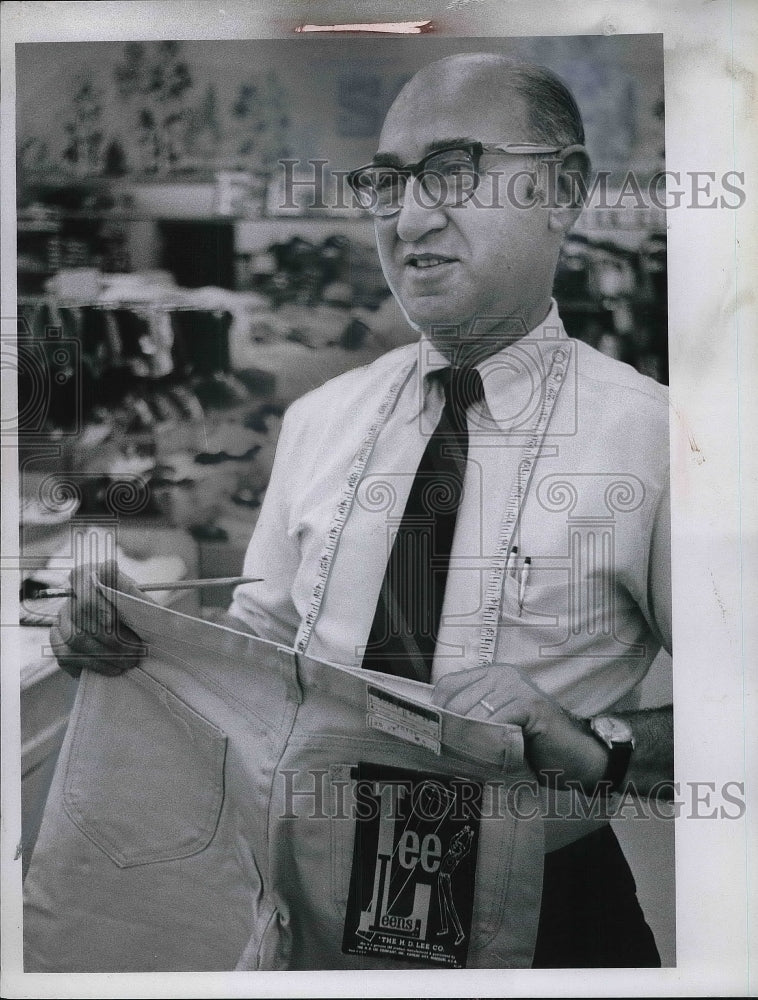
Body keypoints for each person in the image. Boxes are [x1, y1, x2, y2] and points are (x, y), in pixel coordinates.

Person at [50, 53, 672, 968]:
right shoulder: (321, 420)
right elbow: (265, 644)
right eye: (386, 182)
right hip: (311, 900)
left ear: (562, 191)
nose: (410, 216)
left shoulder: (656, 442)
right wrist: (138, 644)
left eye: (455, 171)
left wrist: (595, 745)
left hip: (548, 922)